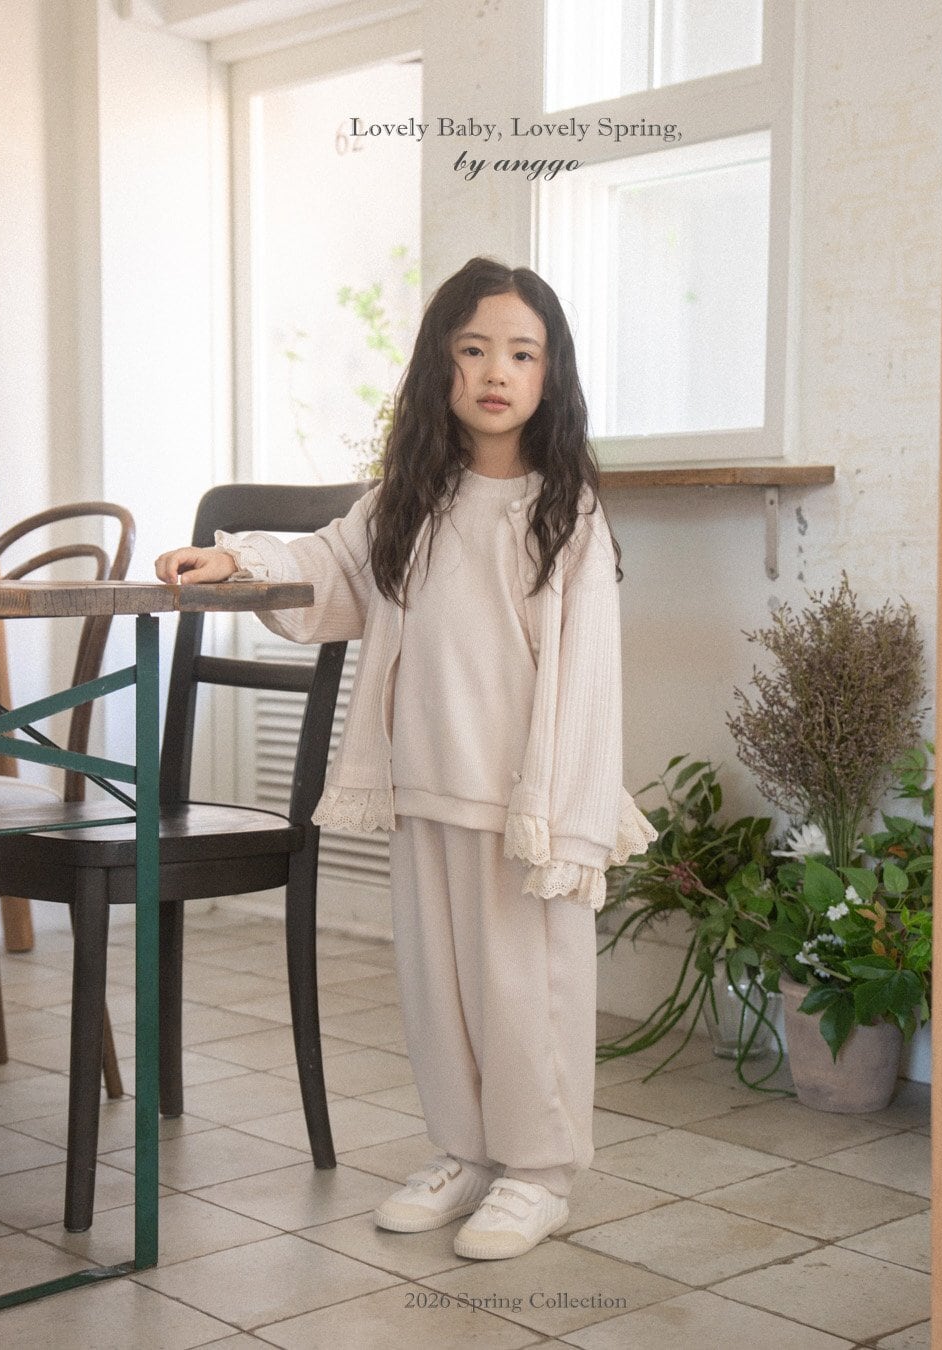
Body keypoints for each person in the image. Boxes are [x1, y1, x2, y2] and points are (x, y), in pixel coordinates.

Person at [154, 256, 657, 1260]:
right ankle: (465, 1151)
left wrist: (563, 818)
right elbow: (328, 565)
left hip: (522, 803)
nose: (496, 372)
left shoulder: (565, 514)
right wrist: (238, 558)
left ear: (552, 374)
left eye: (522, 354)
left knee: (526, 991)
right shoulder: (408, 502)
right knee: (438, 990)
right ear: (440, 367)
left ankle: (538, 1171)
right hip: (424, 783)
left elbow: (590, 684)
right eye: (473, 350)